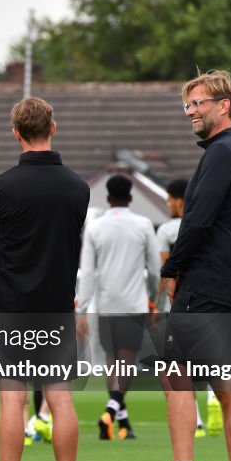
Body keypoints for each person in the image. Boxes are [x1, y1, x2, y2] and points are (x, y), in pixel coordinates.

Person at [129, 70, 231, 461]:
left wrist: (170, 267)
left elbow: (197, 222)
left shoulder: (223, 154)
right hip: (226, 287)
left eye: (198, 103)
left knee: (175, 377)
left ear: (224, 105)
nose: (191, 112)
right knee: (228, 386)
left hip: (202, 287)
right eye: (187, 105)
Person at [0, 97, 89, 461]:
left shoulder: (2, 187)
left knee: (11, 400)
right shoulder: (79, 186)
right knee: (60, 400)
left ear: (16, 133)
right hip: (56, 305)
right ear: (53, 128)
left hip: (9, 305)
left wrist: (5, 248)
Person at [76, 174, 160, 441]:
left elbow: (88, 273)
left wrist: (83, 307)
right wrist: (153, 298)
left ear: (108, 198)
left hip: (105, 305)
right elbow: (155, 268)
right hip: (133, 303)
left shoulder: (95, 228)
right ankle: (112, 411)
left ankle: (121, 422)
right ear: (131, 197)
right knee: (127, 361)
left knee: (113, 361)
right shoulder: (144, 224)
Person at [156, 178, 215, 439]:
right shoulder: (207, 226)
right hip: (206, 298)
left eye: (169, 199)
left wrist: (156, 302)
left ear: (179, 199)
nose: (168, 204)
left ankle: (197, 422)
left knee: (175, 369)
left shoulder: (168, 230)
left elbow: (165, 270)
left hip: (178, 303)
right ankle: (213, 397)